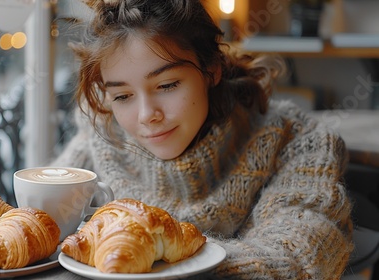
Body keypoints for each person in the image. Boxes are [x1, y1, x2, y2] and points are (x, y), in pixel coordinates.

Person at [50, 0, 354, 278]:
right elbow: (47, 223)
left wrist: (146, 262)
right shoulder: (105, 134)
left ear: (212, 69)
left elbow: (299, 256)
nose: (146, 115)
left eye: (167, 85)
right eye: (123, 96)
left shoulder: (297, 140)